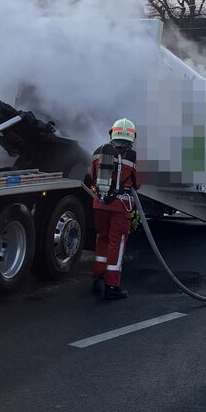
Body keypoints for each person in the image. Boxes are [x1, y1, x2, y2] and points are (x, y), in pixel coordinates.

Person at [84, 117, 140, 300]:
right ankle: (112, 286)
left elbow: (91, 176)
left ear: (112, 133)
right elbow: (137, 184)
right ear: (132, 137)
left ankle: (97, 278)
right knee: (118, 242)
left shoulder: (98, 152)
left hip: (100, 204)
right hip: (121, 208)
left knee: (102, 238)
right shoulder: (131, 156)